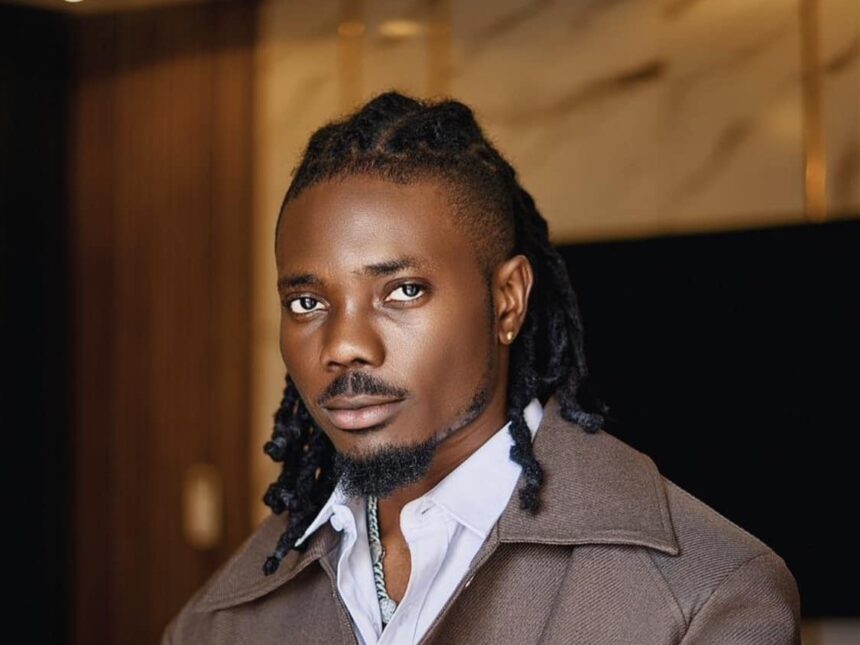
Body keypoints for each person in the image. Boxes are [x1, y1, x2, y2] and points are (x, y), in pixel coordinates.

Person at [161, 92, 801, 644]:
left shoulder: (705, 597)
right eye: (307, 302)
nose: (343, 345)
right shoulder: (217, 624)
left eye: (403, 291)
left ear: (507, 301)